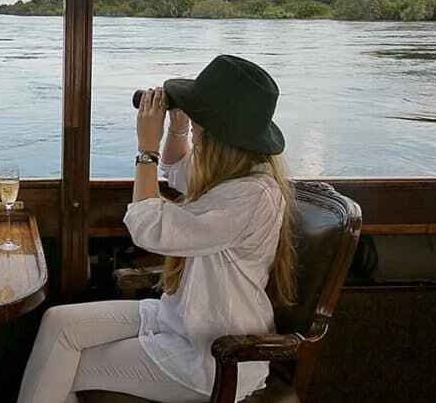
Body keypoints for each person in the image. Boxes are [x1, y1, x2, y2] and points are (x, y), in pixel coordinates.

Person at [17, 54, 296, 403]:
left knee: (62, 365)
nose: (194, 132)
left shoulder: (250, 196)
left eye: (197, 128)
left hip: (212, 355)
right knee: (59, 324)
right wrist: (178, 124)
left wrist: (145, 149)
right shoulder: (237, 175)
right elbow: (177, 167)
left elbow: (149, 228)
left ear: (218, 139)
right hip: (182, 320)